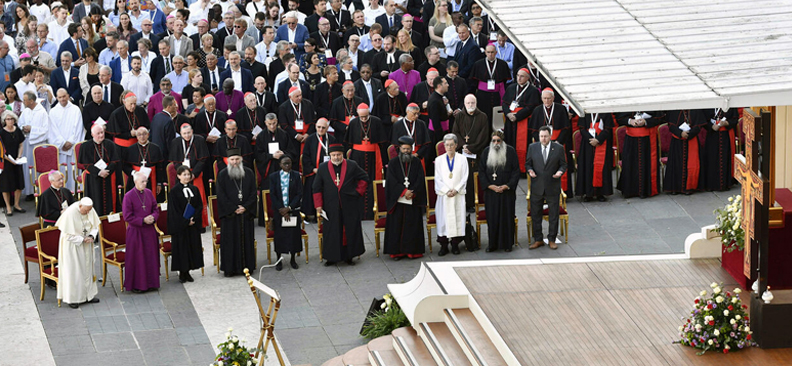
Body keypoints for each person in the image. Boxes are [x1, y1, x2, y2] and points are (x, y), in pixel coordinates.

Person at [313, 143, 369, 266]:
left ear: (342, 154)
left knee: (349, 230)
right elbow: (316, 188)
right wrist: (318, 205)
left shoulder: (351, 165)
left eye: (338, 155)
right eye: (333, 155)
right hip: (330, 206)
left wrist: (358, 192)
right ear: (329, 155)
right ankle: (331, 257)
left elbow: (364, 178)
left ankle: (349, 256)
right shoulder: (323, 167)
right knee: (331, 231)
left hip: (349, 204)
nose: (336, 157)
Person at [384, 135, 426, 259]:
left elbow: (420, 179)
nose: (406, 151)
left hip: (412, 199)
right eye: (404, 149)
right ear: (400, 149)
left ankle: (412, 251)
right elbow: (391, 181)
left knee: (412, 225)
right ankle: (396, 252)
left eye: (409, 149)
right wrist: (403, 191)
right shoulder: (393, 163)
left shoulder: (417, 162)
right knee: (396, 225)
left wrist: (412, 192)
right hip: (397, 200)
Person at [217, 148, 257, 277]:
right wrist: (234, 208)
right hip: (230, 216)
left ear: (241, 160)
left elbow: (253, 193)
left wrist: (245, 207)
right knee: (230, 242)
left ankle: (247, 266)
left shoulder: (249, 173)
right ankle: (230, 269)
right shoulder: (222, 174)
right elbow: (221, 195)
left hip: (245, 214)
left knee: (246, 240)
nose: (235, 162)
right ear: (228, 160)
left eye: (237, 159)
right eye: (232, 160)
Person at [526, 126, 567, 250]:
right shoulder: (532, 147)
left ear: (550, 136)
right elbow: (528, 163)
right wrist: (530, 171)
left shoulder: (558, 148)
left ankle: (552, 239)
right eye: (541, 136)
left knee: (553, 214)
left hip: (552, 186)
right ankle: (538, 239)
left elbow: (563, 164)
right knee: (536, 214)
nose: (543, 139)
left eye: (545, 136)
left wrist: (560, 172)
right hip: (537, 186)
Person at [56, 197, 101, 309]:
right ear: (80, 206)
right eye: (85, 211)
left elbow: (95, 226)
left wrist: (91, 236)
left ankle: (88, 296)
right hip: (73, 248)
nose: (88, 213)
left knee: (88, 270)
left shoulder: (89, 209)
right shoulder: (70, 213)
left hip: (87, 245)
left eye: (89, 210)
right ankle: (73, 299)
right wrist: (82, 239)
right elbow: (67, 235)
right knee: (74, 272)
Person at [478, 130, 520, 252]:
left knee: (507, 218)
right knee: (493, 218)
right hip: (491, 193)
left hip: (507, 192)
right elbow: (481, 171)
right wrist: (490, 186)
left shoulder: (510, 151)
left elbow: (516, 171)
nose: (496, 143)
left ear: (502, 141)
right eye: (494, 141)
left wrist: (507, 186)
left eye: (498, 141)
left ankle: (507, 244)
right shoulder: (486, 152)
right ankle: (492, 244)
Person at [528, 88, 572, 196]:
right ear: (541, 98)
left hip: (558, 141)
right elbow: (533, 130)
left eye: (549, 98)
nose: (547, 101)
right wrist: (542, 141)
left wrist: (558, 142)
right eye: (544, 98)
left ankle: (564, 191)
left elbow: (566, 128)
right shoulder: (537, 110)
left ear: (553, 98)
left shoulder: (561, 109)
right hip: (542, 142)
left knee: (560, 165)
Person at [122, 172, 160, 293]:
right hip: (136, 232)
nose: (145, 184)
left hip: (149, 231)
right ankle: (138, 285)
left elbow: (155, 208)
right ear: (135, 182)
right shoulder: (128, 196)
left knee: (150, 256)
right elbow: (127, 216)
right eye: (142, 181)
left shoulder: (148, 193)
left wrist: (153, 217)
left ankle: (152, 283)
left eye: (146, 181)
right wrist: (142, 220)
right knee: (138, 258)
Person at [345, 103, 384, 220]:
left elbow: (382, 141)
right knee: (358, 181)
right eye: (361, 117)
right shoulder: (353, 123)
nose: (363, 119)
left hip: (373, 156)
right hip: (357, 157)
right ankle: (359, 212)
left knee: (372, 181)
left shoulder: (376, 121)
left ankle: (373, 212)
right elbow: (349, 142)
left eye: (365, 117)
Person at [451, 94, 489, 211]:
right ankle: (465, 203)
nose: (470, 105)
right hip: (462, 153)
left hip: (477, 152)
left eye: (472, 103)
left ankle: (476, 201)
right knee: (463, 178)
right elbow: (455, 132)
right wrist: (463, 145)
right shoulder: (459, 116)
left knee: (475, 178)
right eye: (468, 103)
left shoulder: (482, 116)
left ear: (476, 103)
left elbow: (484, 136)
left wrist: (472, 148)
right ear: (464, 103)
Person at [167, 165, 204, 283]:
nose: (187, 177)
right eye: (184, 175)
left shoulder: (194, 189)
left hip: (193, 225)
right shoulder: (174, 191)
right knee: (182, 249)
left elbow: (199, 205)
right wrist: (186, 221)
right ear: (178, 176)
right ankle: (182, 273)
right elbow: (174, 210)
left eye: (188, 174)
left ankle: (188, 272)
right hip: (181, 227)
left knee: (191, 248)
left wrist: (194, 219)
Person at [433, 133, 468, 255]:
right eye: (447, 145)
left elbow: (464, 177)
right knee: (443, 220)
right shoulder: (439, 160)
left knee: (458, 218)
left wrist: (456, 189)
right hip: (444, 195)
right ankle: (443, 245)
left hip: (457, 195)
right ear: (444, 146)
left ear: (456, 145)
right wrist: (446, 190)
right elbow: (437, 178)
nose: (449, 147)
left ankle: (455, 244)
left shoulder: (462, 159)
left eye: (451, 145)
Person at [168, 123, 210, 225]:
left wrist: (193, 174)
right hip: (181, 175)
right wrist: (183, 174)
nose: (187, 135)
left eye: (188, 133)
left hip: (196, 173)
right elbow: (175, 162)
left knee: (198, 198)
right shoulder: (176, 142)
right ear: (181, 134)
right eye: (184, 133)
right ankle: (184, 222)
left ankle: (200, 223)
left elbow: (202, 160)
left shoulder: (199, 140)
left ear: (192, 131)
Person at [267, 156, 302, 271]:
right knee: (280, 236)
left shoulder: (296, 175)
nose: (287, 166)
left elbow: (299, 193)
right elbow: (273, 194)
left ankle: (292, 259)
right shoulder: (274, 177)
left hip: (293, 210)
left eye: (289, 163)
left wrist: (289, 208)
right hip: (279, 211)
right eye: (284, 164)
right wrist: (282, 209)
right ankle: (279, 259)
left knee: (293, 236)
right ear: (280, 165)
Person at [502, 67, 540, 173]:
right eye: (518, 75)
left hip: (524, 122)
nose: (519, 78)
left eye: (522, 76)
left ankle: (523, 169)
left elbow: (531, 107)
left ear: (527, 78)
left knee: (523, 146)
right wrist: (508, 114)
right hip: (510, 121)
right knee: (509, 144)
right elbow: (505, 103)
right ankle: (510, 169)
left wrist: (517, 116)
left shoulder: (533, 91)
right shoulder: (511, 87)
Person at [615, 111, 662, 198]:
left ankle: (645, 191)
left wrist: (645, 121)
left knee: (646, 164)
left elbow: (660, 117)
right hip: (631, 141)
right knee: (630, 164)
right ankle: (630, 191)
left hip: (647, 140)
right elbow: (619, 118)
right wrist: (630, 121)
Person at [47, 89, 84, 192]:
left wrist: (71, 142)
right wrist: (62, 142)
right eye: (60, 97)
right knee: (62, 170)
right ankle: (62, 191)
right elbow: (52, 130)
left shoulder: (75, 109)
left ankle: (76, 191)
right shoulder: (53, 111)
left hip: (72, 147)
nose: (62, 99)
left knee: (73, 170)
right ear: (57, 97)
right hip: (61, 148)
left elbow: (78, 128)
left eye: (64, 96)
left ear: (68, 96)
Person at [301, 118, 334, 222]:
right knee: (311, 189)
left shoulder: (332, 139)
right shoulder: (310, 139)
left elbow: (336, 155)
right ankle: (309, 214)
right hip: (313, 171)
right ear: (315, 126)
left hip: (328, 172)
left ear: (327, 128)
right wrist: (312, 169)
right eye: (319, 127)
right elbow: (305, 157)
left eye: (323, 128)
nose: (320, 129)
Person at [576, 112, 615, 202]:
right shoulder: (584, 113)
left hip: (602, 143)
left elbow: (608, 129)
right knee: (588, 168)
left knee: (602, 169)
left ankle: (600, 193)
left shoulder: (605, 113)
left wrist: (598, 140)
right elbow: (582, 129)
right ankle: (588, 194)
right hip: (587, 145)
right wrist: (591, 139)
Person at [664, 110, 705, 195]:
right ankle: (675, 188)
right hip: (677, 142)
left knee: (691, 164)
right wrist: (680, 133)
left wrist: (689, 134)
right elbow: (671, 126)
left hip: (692, 139)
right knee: (676, 164)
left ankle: (689, 187)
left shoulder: (695, 110)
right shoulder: (674, 110)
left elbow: (698, 126)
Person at [18, 89, 49, 198]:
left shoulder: (42, 112)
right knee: (28, 167)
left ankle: (40, 189)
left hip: (38, 144)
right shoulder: (26, 111)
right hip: (27, 144)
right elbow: (19, 123)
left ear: (31, 101)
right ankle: (29, 191)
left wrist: (32, 129)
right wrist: (23, 128)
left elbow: (46, 130)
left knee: (38, 167)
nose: (23, 102)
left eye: (25, 100)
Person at [470, 44, 510, 123]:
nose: (490, 54)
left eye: (492, 52)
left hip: (497, 95)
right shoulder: (478, 64)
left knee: (496, 119)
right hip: (482, 96)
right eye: (488, 52)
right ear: (485, 52)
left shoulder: (502, 64)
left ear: (496, 52)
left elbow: (504, 81)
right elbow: (474, 82)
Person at [701, 108, 739, 192]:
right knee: (712, 159)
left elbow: (735, 119)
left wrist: (726, 123)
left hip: (726, 136)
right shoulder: (709, 105)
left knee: (725, 159)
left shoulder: (731, 107)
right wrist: (711, 127)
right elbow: (703, 119)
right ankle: (711, 185)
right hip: (712, 136)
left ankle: (725, 184)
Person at [256, 113, 297, 190]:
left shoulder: (284, 134)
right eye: (269, 124)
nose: (272, 126)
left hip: (283, 167)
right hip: (268, 169)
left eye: (274, 123)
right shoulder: (261, 137)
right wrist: (271, 156)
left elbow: (292, 151)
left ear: (277, 121)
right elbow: (258, 155)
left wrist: (283, 154)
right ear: (265, 123)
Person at [123, 127, 164, 198]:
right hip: (135, 180)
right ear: (136, 136)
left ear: (148, 135)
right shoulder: (130, 149)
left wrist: (159, 183)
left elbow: (160, 167)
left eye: (144, 134)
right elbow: (125, 166)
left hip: (152, 180)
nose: (142, 137)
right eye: (139, 134)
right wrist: (134, 172)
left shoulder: (155, 148)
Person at [0, 110, 25, 215]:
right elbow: (1, 150)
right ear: (4, 121)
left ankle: (16, 204)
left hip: (17, 160)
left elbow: (21, 145)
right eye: (8, 119)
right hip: (6, 161)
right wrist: (10, 160)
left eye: (12, 119)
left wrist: (18, 157)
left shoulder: (17, 130)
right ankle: (8, 207)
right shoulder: (1, 133)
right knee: (6, 185)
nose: (10, 121)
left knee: (18, 184)